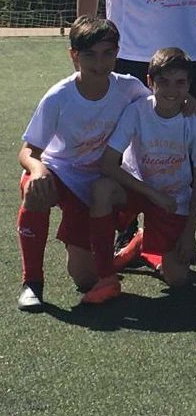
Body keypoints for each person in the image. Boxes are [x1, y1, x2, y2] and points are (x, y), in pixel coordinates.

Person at [15, 16, 149, 312]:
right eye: (89, 55)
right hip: (60, 176)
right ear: (74, 55)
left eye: (107, 54)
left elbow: (158, 106)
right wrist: (37, 169)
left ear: (117, 53)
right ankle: (32, 283)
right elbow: (28, 151)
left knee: (85, 278)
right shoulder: (59, 96)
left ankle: (127, 251)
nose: (99, 63)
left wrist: (186, 102)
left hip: (98, 185)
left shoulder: (129, 88)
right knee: (33, 186)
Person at [82, 48, 196, 303]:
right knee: (102, 189)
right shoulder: (137, 111)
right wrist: (152, 193)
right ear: (149, 82)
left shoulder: (195, 121)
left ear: (189, 85)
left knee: (177, 279)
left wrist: (189, 234)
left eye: (180, 83)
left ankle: (142, 242)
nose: (171, 90)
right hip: (137, 190)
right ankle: (105, 275)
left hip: (173, 199)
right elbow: (108, 165)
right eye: (163, 82)